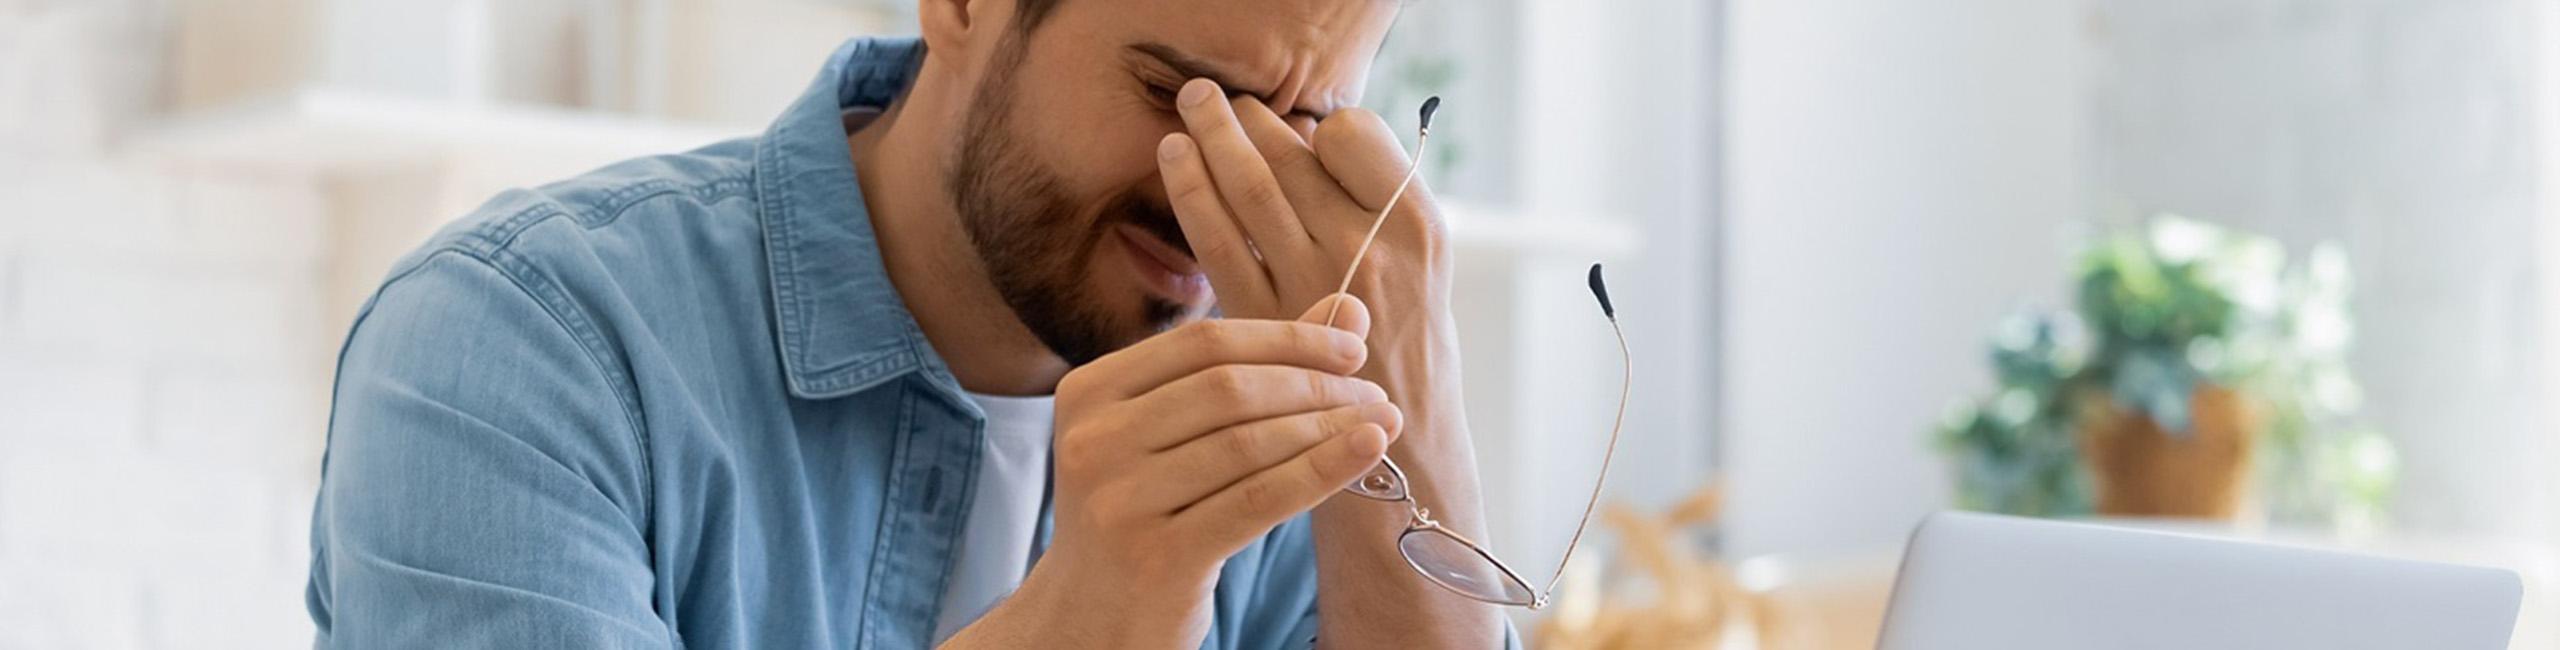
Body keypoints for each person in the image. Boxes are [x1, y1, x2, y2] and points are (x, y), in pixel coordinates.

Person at [304, 0, 1511, 647]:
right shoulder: (519, 342)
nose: (1224, 189)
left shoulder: (1315, 440)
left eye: (1306, 121)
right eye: (1176, 93)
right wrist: (1092, 616)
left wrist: (1423, 429)